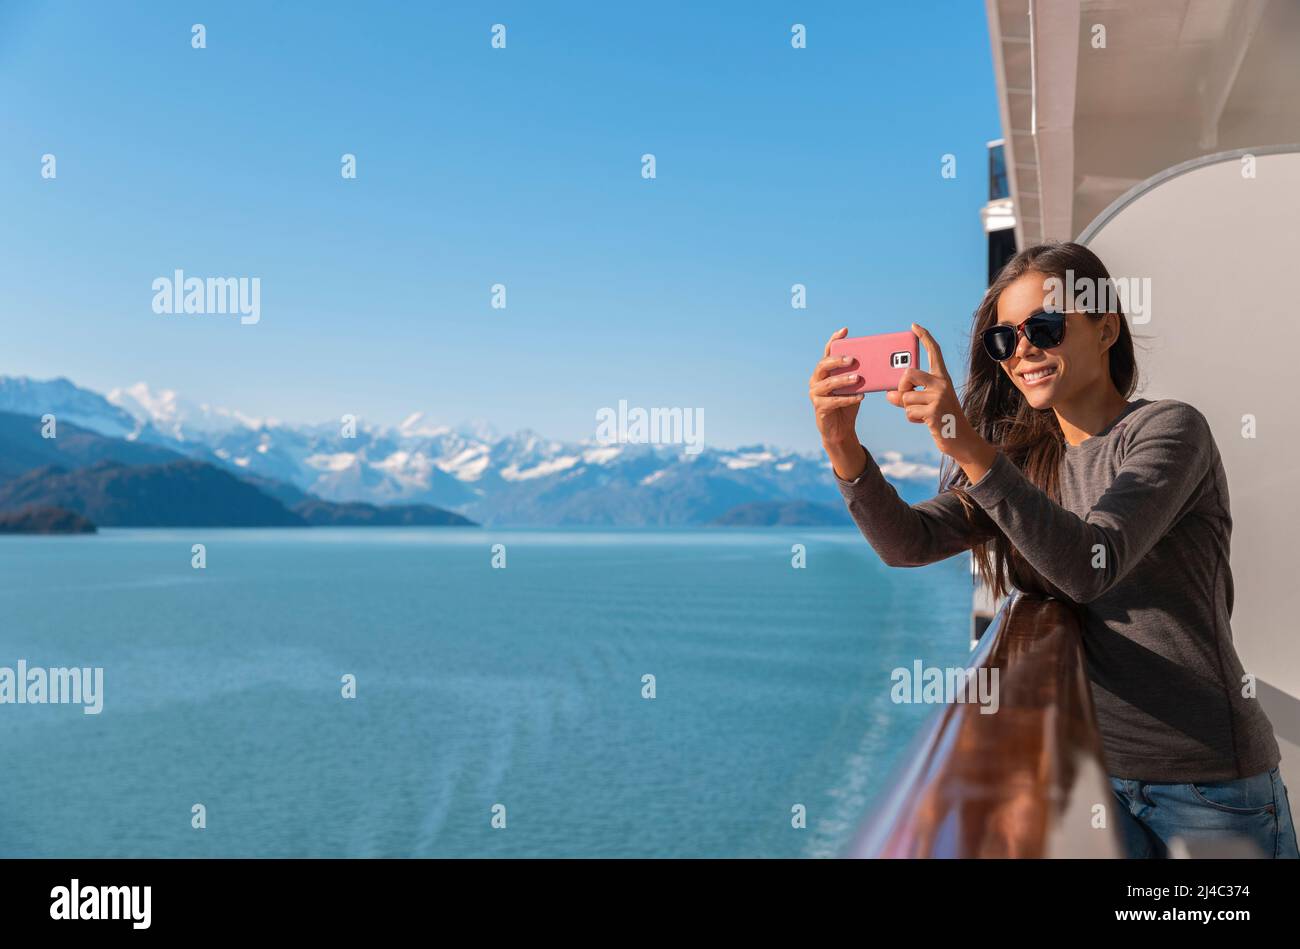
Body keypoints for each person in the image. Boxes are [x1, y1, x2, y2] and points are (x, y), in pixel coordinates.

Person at [808, 240, 1299, 858]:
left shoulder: (1168, 430)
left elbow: (1092, 565)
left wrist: (965, 443)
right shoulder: (1023, 463)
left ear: (1105, 327)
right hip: (1091, 778)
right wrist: (842, 449)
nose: (1022, 351)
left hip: (1207, 787)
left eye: (1044, 326)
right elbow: (909, 543)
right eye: (1002, 340)